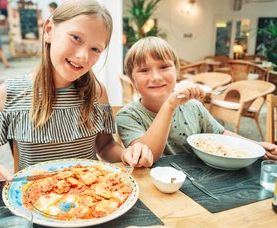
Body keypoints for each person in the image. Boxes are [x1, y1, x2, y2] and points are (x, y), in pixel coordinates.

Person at [0, 0, 153, 193]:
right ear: (49, 30)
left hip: (90, 198)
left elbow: (105, 146)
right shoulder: (9, 94)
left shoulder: (97, 91)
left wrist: (127, 154)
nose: (83, 57)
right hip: (37, 201)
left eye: (95, 49)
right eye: (76, 38)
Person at [116, 36, 277, 162]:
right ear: (133, 81)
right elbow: (146, 156)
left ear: (176, 72)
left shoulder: (193, 107)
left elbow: (220, 132)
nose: (156, 77)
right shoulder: (128, 116)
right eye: (144, 70)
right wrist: (170, 106)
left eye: (164, 67)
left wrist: (255, 147)